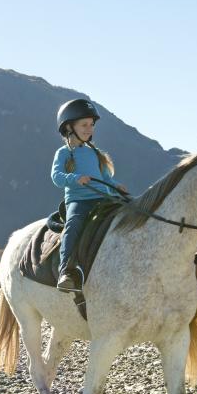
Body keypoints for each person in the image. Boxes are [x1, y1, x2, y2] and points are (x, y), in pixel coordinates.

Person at [51, 98, 124, 293]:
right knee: (73, 224)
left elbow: (106, 179)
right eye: (84, 124)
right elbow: (56, 177)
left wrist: (117, 187)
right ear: (69, 127)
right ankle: (65, 270)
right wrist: (76, 178)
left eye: (91, 125)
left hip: (104, 198)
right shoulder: (64, 153)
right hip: (79, 200)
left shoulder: (97, 153)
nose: (89, 129)